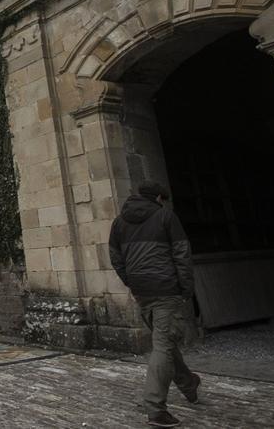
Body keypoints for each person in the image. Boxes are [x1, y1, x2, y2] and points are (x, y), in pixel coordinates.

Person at [108, 181, 200, 428]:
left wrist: (132, 281)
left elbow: (116, 258)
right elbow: (182, 254)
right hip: (165, 289)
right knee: (162, 344)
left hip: (142, 291)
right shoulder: (165, 217)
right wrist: (186, 289)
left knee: (164, 340)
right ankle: (155, 408)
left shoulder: (119, 222)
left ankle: (188, 382)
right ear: (159, 198)